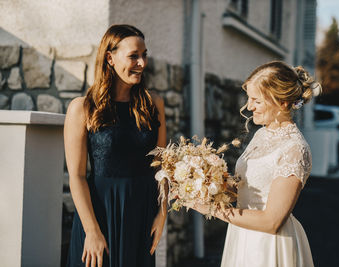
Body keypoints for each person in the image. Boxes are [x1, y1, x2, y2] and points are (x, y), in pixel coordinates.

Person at [192, 61, 320, 267]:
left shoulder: (295, 149)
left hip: (268, 245)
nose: (249, 106)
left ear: (283, 103)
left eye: (256, 101)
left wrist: (209, 209)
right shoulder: (262, 133)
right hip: (242, 233)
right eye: (249, 99)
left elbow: (271, 222)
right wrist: (205, 182)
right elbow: (246, 189)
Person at [64, 24, 167, 267]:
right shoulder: (82, 108)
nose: (142, 63)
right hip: (99, 216)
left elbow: (164, 168)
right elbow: (77, 176)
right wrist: (91, 231)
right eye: (134, 56)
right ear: (110, 58)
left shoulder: (154, 104)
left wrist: (162, 215)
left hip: (141, 216)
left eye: (144, 55)